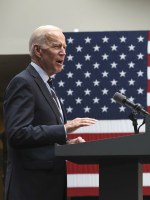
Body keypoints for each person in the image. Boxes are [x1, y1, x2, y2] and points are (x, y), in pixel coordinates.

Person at [3, 25, 98, 200]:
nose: (63, 52)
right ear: (38, 51)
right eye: (56, 46)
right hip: (31, 189)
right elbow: (17, 133)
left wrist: (65, 145)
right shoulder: (23, 82)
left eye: (64, 47)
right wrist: (64, 128)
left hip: (50, 186)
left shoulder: (48, 85)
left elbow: (40, 138)